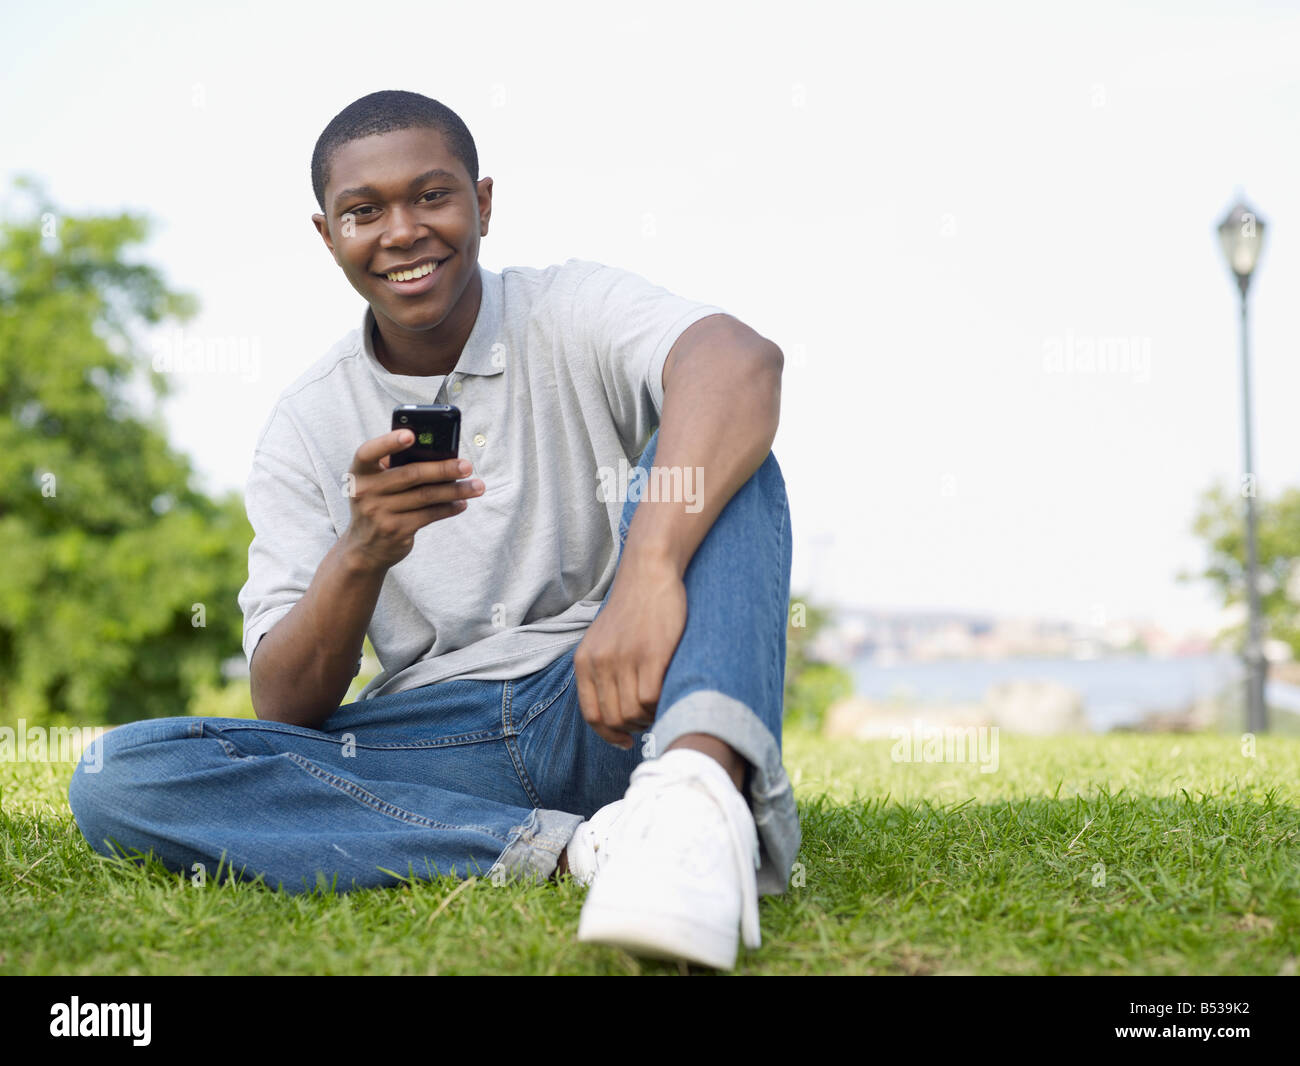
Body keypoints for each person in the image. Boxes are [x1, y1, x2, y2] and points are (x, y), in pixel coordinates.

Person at [69, 89, 798, 971]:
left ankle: (692, 801)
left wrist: (645, 579)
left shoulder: (567, 308)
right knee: (128, 774)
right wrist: (363, 552)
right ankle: (582, 851)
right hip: (430, 746)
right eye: (363, 212)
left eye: (432, 195)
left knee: (734, 461)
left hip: (607, 695)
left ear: (483, 203)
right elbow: (286, 706)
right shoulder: (303, 424)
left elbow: (738, 360)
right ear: (326, 233)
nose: (402, 231)